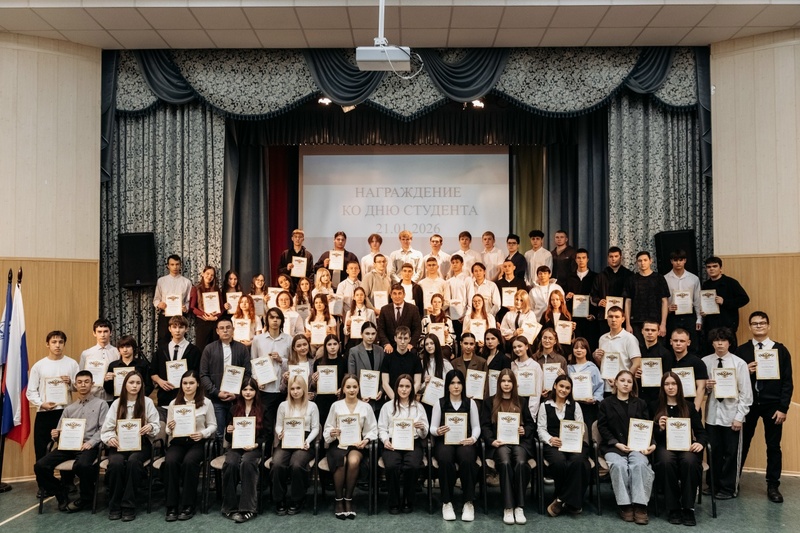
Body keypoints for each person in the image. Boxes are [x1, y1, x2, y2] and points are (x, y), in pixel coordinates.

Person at [737, 311, 794, 503]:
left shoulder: (780, 350)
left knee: (773, 446)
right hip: (749, 404)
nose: (759, 326)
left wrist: (783, 408)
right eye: (755, 323)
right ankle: (733, 481)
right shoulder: (741, 351)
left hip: (773, 406)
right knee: (742, 443)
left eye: (762, 323)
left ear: (768, 326)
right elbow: (733, 378)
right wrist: (745, 371)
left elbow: (787, 381)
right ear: (750, 327)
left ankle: (773, 485)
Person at [34, 370, 108, 513]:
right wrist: (55, 435)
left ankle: (86, 498)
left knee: (83, 465)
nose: (83, 385)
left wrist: (92, 442)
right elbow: (60, 430)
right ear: (75, 385)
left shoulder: (101, 404)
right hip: (67, 446)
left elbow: (103, 429)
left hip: (88, 446)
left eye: (86, 382)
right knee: (40, 466)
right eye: (79, 382)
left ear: (92, 384)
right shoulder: (69, 408)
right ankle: (60, 492)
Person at [598, 370, 655, 525]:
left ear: (632, 385)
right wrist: (616, 443)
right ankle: (625, 505)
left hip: (637, 446)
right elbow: (602, 427)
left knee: (639, 464)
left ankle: (640, 505)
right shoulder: (606, 403)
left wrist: (652, 444)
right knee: (618, 465)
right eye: (622, 380)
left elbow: (647, 426)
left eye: (629, 382)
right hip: (614, 446)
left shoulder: (640, 403)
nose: (625, 384)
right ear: (615, 383)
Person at [101, 371, 161, 521]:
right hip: (119, 444)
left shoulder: (147, 402)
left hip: (141, 444)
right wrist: (111, 438)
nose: (134, 386)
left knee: (134, 462)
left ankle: (128, 505)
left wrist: (150, 427)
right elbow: (107, 429)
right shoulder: (117, 403)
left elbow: (156, 425)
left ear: (142, 386)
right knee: (116, 463)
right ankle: (115, 505)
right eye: (131, 382)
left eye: (138, 383)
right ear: (125, 385)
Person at [702, 327, 752, 499]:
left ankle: (729, 488)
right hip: (712, 415)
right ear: (712, 343)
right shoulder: (705, 362)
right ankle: (713, 485)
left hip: (732, 416)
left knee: (731, 454)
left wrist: (739, 417)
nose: (720, 344)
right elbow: (699, 391)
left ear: (729, 343)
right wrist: (707, 387)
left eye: (723, 340)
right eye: (716, 340)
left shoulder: (739, 363)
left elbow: (746, 394)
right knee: (713, 452)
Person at [652, 372, 707, 526]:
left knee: (690, 462)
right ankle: (673, 507)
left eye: (673, 384)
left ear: (679, 386)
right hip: (664, 446)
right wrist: (659, 427)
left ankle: (688, 507)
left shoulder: (689, 406)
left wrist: (700, 443)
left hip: (686, 446)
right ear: (662, 387)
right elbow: (650, 434)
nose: (670, 387)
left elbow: (701, 432)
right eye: (667, 384)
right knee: (666, 462)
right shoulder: (655, 406)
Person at [481, 369, 534, 524]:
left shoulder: (522, 401)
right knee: (504, 463)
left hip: (519, 442)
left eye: (509, 381)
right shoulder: (489, 402)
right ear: (499, 383)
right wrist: (491, 441)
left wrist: (525, 430)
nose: (506, 384)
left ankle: (519, 507)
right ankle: (508, 507)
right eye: (503, 381)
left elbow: (531, 424)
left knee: (521, 463)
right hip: (499, 443)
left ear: (514, 383)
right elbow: (485, 426)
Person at [163, 370, 217, 521]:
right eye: (185, 383)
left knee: (189, 462)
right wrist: (170, 428)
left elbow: (213, 425)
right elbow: (167, 429)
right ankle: (171, 505)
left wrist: (203, 434)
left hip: (198, 442)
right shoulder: (174, 403)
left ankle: (188, 505)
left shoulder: (206, 403)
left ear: (198, 384)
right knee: (170, 461)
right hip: (179, 441)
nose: (188, 386)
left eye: (191, 383)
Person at [323, 373, 378, 519]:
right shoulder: (336, 406)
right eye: (348, 387)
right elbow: (328, 428)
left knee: (353, 461)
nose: (352, 390)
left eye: (354, 386)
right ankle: (338, 500)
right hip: (338, 444)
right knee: (341, 461)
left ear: (359, 388)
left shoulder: (366, 407)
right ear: (343, 389)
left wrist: (366, 440)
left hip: (356, 444)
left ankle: (348, 498)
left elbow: (373, 429)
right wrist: (332, 432)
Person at [431, 369, 481, 522]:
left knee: (467, 459)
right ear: (447, 385)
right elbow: (432, 427)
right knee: (445, 459)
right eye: (452, 383)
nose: (456, 386)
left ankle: (468, 502)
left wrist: (473, 438)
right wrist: (437, 431)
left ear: (463, 385)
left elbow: (476, 426)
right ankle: (447, 502)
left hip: (465, 441)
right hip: (445, 441)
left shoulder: (470, 403)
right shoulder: (439, 403)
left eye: (459, 383)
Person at [538, 374, 591, 518]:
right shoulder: (545, 406)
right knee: (559, 462)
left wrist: (575, 438)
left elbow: (581, 427)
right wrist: (550, 439)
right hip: (553, 444)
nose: (564, 390)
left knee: (579, 462)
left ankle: (560, 499)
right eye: (561, 386)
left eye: (567, 388)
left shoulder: (575, 406)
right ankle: (572, 501)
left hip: (574, 443)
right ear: (555, 386)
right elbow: (541, 429)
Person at [27, 331, 80, 469]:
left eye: (61, 342)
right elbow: (31, 391)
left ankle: (67, 480)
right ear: (47, 344)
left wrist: (71, 383)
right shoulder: (39, 365)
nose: (57, 345)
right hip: (45, 413)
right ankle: (43, 481)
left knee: (67, 448)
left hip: (66, 412)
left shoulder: (72, 363)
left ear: (64, 344)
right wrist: (41, 404)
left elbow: (79, 387)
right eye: (54, 342)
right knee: (41, 449)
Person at [378, 374, 428, 513]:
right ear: (396, 388)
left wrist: (421, 428)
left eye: (407, 386)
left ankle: (408, 500)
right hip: (392, 442)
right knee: (392, 466)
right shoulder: (387, 407)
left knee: (412, 466)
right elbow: (381, 428)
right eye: (401, 386)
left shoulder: (418, 407)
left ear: (412, 389)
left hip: (413, 442)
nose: (404, 389)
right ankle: (393, 502)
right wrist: (385, 440)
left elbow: (424, 433)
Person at [273, 375, 320, 515]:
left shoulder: (312, 406)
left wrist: (308, 441)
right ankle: (279, 499)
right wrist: (280, 432)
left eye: (298, 388)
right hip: (287, 439)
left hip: (305, 440)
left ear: (304, 389)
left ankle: (297, 499)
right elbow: (278, 425)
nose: (295, 391)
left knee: (296, 464)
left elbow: (316, 428)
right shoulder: (283, 405)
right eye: (292, 388)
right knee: (277, 464)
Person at [221, 378, 264, 523]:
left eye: (251, 389)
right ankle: (229, 507)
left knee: (247, 462)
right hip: (236, 446)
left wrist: (256, 444)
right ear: (240, 391)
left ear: (256, 392)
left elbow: (268, 435)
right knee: (230, 463)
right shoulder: (233, 409)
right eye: (245, 389)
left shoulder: (263, 409)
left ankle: (248, 509)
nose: (248, 392)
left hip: (254, 448)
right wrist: (229, 430)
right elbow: (228, 436)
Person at [200, 317, 251, 439]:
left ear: (233, 329)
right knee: (218, 433)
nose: (225, 330)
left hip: (238, 400)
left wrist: (237, 394)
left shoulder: (242, 348)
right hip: (216, 399)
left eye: (228, 327)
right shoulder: (209, 349)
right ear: (217, 331)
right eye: (222, 328)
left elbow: (247, 374)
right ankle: (218, 451)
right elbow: (203, 374)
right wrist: (216, 392)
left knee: (237, 432)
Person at [250, 308, 292, 448]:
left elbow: (293, 363)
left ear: (282, 321)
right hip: (265, 389)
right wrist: (256, 381)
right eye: (272, 317)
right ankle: (266, 454)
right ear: (267, 320)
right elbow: (253, 362)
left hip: (282, 388)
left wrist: (281, 360)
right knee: (267, 425)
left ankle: (281, 452)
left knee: (282, 423)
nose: (275, 320)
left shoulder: (288, 339)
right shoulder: (258, 339)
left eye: (278, 318)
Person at [150, 316, 202, 420]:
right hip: (165, 398)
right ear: (169, 329)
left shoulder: (194, 351)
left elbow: (198, 374)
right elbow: (153, 372)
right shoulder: (161, 350)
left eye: (181, 327)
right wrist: (160, 381)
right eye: (174, 327)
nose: (177, 330)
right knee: (164, 426)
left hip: (186, 399)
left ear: (186, 329)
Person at [700, 256, 750, 351]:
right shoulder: (706, 284)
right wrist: (704, 311)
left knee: (730, 353)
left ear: (721, 268)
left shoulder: (731, 282)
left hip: (727, 326)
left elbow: (744, 299)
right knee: (711, 353)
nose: (711, 269)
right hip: (711, 326)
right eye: (709, 267)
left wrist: (725, 302)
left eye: (715, 266)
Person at [593, 306, 641, 395]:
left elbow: (637, 362)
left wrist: (624, 381)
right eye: (610, 316)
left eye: (617, 317)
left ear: (623, 319)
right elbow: (602, 365)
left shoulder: (629, 338)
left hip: (623, 388)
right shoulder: (602, 338)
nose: (613, 320)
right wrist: (597, 358)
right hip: (606, 386)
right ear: (607, 318)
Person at [623, 251, 669, 340]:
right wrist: (628, 324)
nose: (642, 263)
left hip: (655, 321)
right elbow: (628, 302)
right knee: (637, 346)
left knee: (656, 346)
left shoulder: (659, 278)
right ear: (636, 262)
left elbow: (664, 301)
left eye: (645, 260)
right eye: (640, 261)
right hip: (636, 322)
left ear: (650, 261)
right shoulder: (631, 280)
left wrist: (663, 324)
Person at [591, 246, 633, 337]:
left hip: (623, 318)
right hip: (605, 317)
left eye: (616, 256)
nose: (613, 259)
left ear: (621, 258)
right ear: (607, 259)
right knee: (605, 340)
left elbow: (632, 297)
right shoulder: (600, 276)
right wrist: (599, 301)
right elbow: (593, 295)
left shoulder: (629, 275)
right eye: (611, 257)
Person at [664, 250, 702, 346]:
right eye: (675, 260)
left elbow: (697, 300)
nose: (678, 263)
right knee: (673, 343)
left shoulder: (694, 279)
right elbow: (661, 300)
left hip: (689, 316)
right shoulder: (665, 279)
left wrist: (699, 318)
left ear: (685, 260)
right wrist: (667, 309)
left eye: (681, 260)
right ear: (671, 261)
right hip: (672, 316)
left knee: (692, 343)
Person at [637, 320, 675, 414]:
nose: (650, 333)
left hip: (658, 397)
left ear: (658, 332)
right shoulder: (637, 351)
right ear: (642, 331)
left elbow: (667, 376)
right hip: (639, 395)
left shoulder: (665, 354)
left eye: (653, 330)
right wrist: (635, 374)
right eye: (647, 330)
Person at [563, 248, 599, 348]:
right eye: (578, 258)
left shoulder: (595, 277)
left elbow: (597, 297)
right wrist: (567, 296)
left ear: (588, 259)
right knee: (575, 346)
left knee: (590, 346)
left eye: (583, 258)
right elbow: (563, 296)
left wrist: (593, 315)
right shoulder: (569, 277)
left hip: (590, 319)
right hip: (574, 319)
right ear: (575, 260)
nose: (581, 260)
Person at [153, 254, 192, 345]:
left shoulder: (187, 282)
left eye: (177, 264)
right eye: (172, 264)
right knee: (163, 342)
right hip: (165, 316)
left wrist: (185, 308)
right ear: (168, 266)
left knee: (180, 341)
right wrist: (159, 304)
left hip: (180, 316)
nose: (175, 267)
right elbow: (156, 299)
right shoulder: (161, 281)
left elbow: (188, 301)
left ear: (180, 265)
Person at [567, 337, 604, 433]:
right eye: (576, 348)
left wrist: (595, 399)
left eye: (582, 348)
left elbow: (599, 386)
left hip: (588, 407)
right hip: (572, 405)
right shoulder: (568, 368)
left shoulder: (593, 368)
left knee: (587, 432)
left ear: (587, 350)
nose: (579, 350)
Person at [79, 318, 120, 402]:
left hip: (111, 398)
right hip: (92, 398)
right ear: (94, 333)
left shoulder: (117, 353)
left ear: (111, 333)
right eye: (99, 332)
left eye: (105, 331)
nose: (102, 335)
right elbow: (81, 376)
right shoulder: (86, 354)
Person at [347, 321, 385, 410]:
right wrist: (359, 394)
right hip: (360, 398)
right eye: (367, 333)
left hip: (377, 397)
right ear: (361, 334)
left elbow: (383, 373)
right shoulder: (354, 351)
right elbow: (352, 375)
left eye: (373, 333)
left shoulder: (380, 350)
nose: (370, 337)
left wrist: (381, 390)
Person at [669, 328, 709, 412]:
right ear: (671, 342)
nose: (678, 343)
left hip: (690, 406)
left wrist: (695, 410)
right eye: (675, 340)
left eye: (682, 341)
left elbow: (701, 387)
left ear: (688, 343)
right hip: (670, 407)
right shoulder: (668, 360)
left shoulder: (697, 362)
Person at [313, 335, 349, 425]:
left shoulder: (344, 361)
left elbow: (347, 379)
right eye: (329, 344)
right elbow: (314, 386)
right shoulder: (318, 362)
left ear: (339, 345)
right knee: (323, 424)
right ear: (325, 346)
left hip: (338, 398)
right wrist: (314, 380)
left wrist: (342, 389)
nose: (332, 347)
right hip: (322, 401)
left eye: (335, 344)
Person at [377, 284, 422, 353]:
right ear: (391, 295)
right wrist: (386, 343)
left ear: (404, 295)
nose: (397, 296)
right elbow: (380, 329)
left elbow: (417, 329)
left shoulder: (413, 309)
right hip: (390, 346)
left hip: (407, 345)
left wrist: (411, 344)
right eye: (394, 294)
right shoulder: (384, 310)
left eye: (400, 293)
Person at [380, 327, 423, 400]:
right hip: (391, 400)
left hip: (409, 400)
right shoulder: (387, 358)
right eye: (400, 338)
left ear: (409, 339)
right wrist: (395, 400)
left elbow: (417, 383)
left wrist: (407, 398)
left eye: (405, 338)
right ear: (395, 338)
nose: (402, 342)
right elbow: (385, 383)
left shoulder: (416, 359)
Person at [190, 266, 222, 352]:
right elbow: (192, 307)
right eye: (208, 274)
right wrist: (204, 314)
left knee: (215, 349)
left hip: (214, 323)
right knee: (201, 349)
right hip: (202, 322)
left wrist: (216, 317)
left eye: (212, 275)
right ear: (202, 274)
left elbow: (222, 308)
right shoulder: (196, 289)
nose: (209, 276)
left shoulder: (216, 289)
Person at [419, 334, 454, 410]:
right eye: (426, 344)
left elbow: (452, 382)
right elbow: (418, 388)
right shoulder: (421, 363)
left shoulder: (445, 363)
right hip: (426, 400)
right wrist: (425, 383)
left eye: (432, 343)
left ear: (437, 344)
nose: (429, 346)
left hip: (442, 400)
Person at [343, 286, 376, 354]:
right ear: (354, 297)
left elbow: (375, 328)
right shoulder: (349, 313)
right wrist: (348, 327)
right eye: (357, 295)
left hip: (366, 340)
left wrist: (369, 326)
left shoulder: (370, 312)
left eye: (361, 295)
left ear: (365, 297)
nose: (359, 297)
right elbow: (345, 332)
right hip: (353, 340)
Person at [494, 258, 528, 324]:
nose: (507, 268)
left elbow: (525, 299)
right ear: (503, 269)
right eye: (505, 266)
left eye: (509, 266)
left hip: (518, 313)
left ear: (514, 267)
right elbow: (496, 302)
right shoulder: (498, 284)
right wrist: (497, 319)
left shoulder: (521, 283)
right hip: (502, 314)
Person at [446, 254, 470, 341]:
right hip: (452, 315)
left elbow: (470, 298)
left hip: (463, 315)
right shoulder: (449, 281)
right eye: (453, 263)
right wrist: (447, 316)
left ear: (462, 264)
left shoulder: (467, 279)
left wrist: (466, 315)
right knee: (453, 338)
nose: (454, 264)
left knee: (463, 339)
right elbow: (447, 300)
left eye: (457, 262)